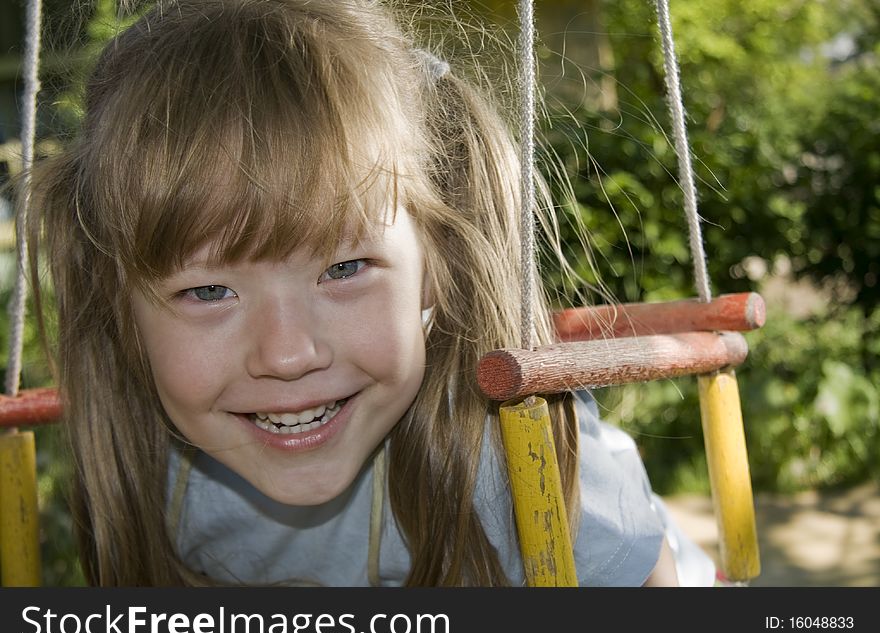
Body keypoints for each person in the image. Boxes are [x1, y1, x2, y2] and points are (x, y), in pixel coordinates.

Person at [27, 0, 715, 586]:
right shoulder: (167, 476)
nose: (288, 354)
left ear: (435, 267)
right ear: (118, 306)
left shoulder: (503, 459)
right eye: (208, 289)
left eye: (343, 269)